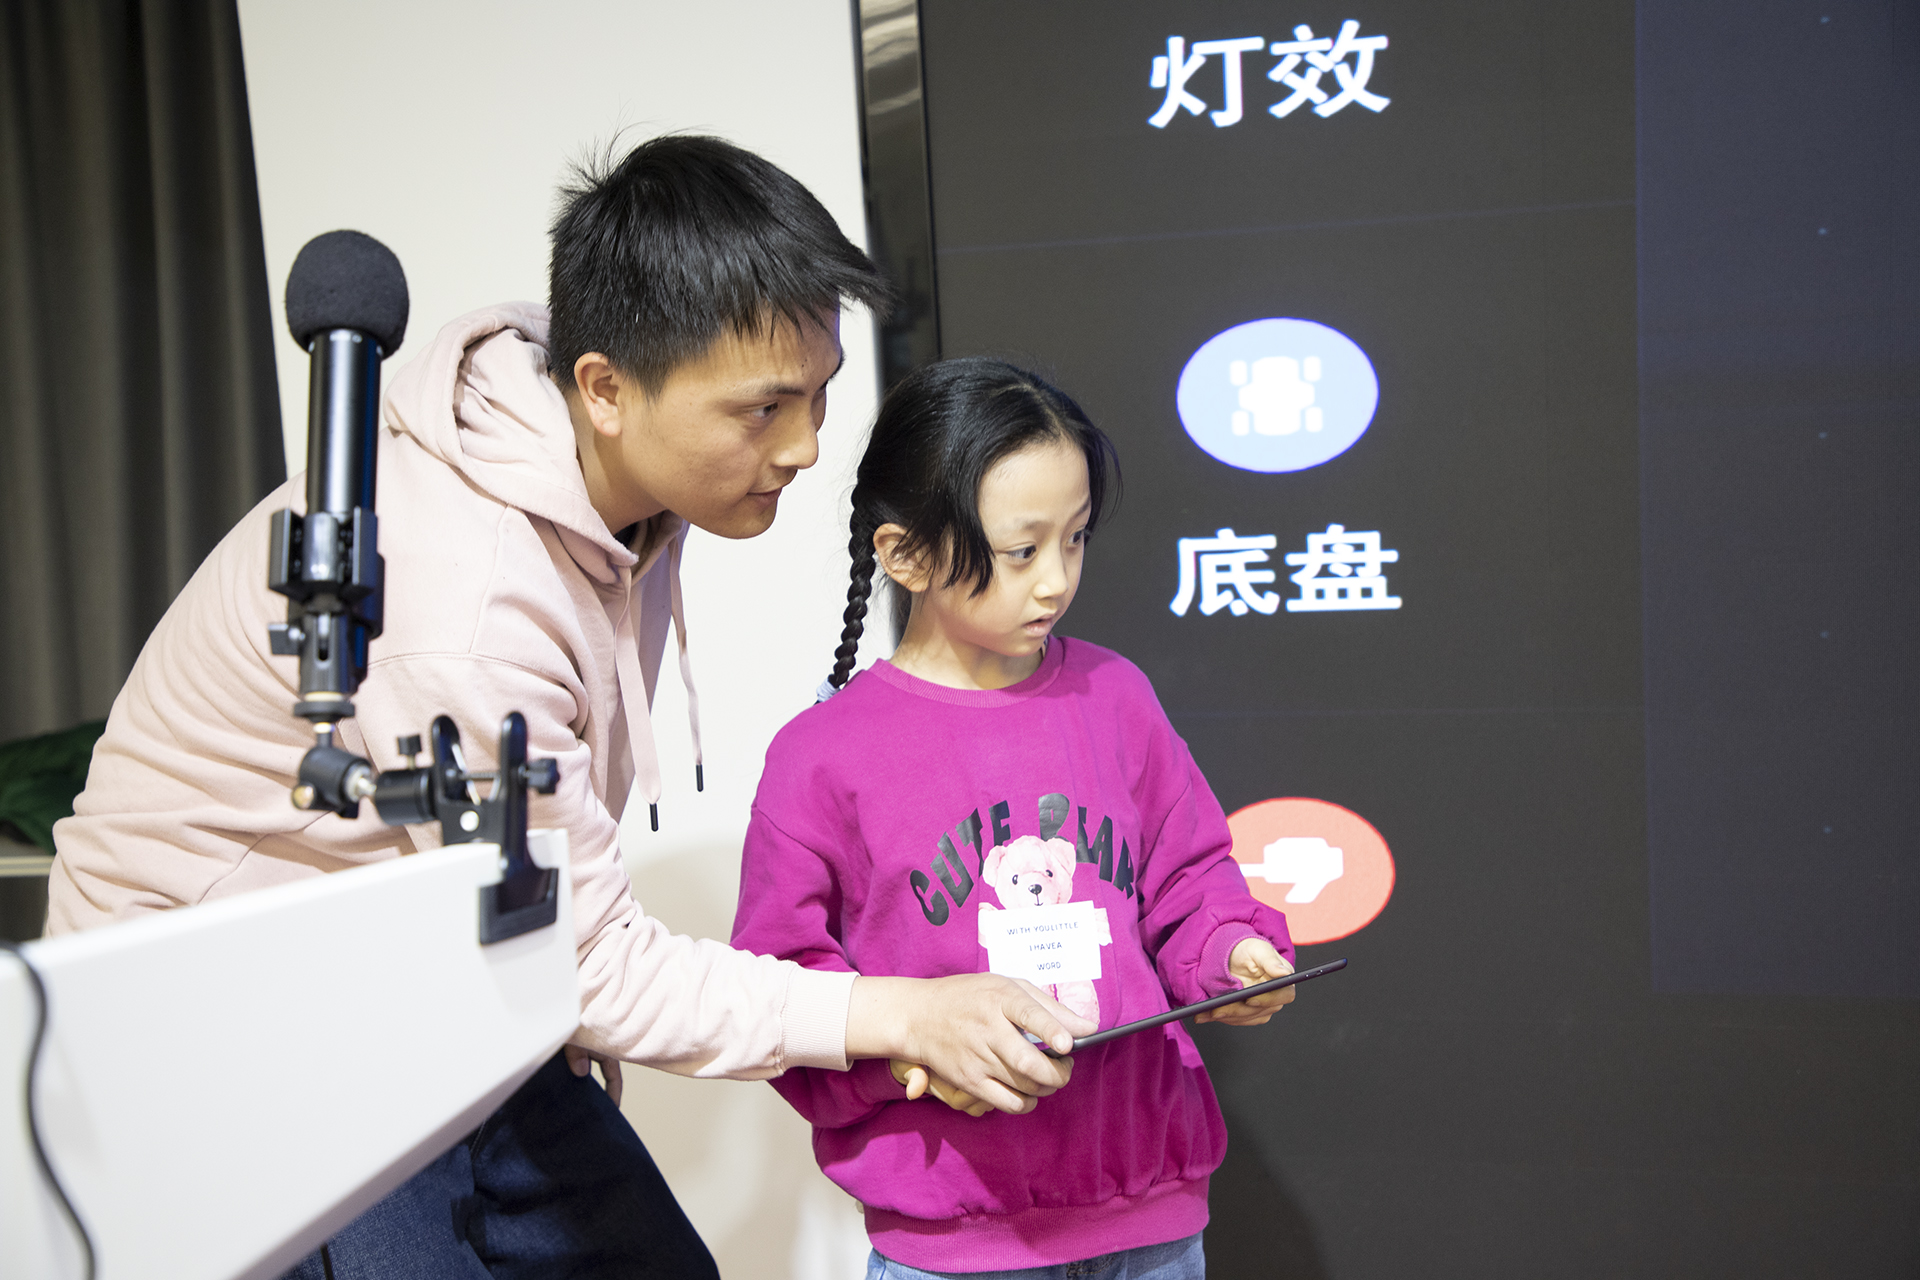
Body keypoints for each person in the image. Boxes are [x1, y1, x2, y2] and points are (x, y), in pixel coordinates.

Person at [44, 138, 1084, 1279]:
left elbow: (554, 931)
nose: (804, 445)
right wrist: (904, 1014)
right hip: (223, 1037)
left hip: (425, 981)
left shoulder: (613, 479)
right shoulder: (467, 600)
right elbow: (592, 961)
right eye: (764, 409)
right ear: (605, 388)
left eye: (820, 392)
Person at [730, 357, 1301, 1280]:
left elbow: (1190, 878)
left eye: (1075, 539)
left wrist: (1229, 955)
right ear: (906, 554)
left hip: (1150, 1225)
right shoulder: (821, 756)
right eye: (1021, 551)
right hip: (953, 1242)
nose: (1056, 582)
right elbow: (781, 991)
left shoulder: (1116, 696)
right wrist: (910, 1059)